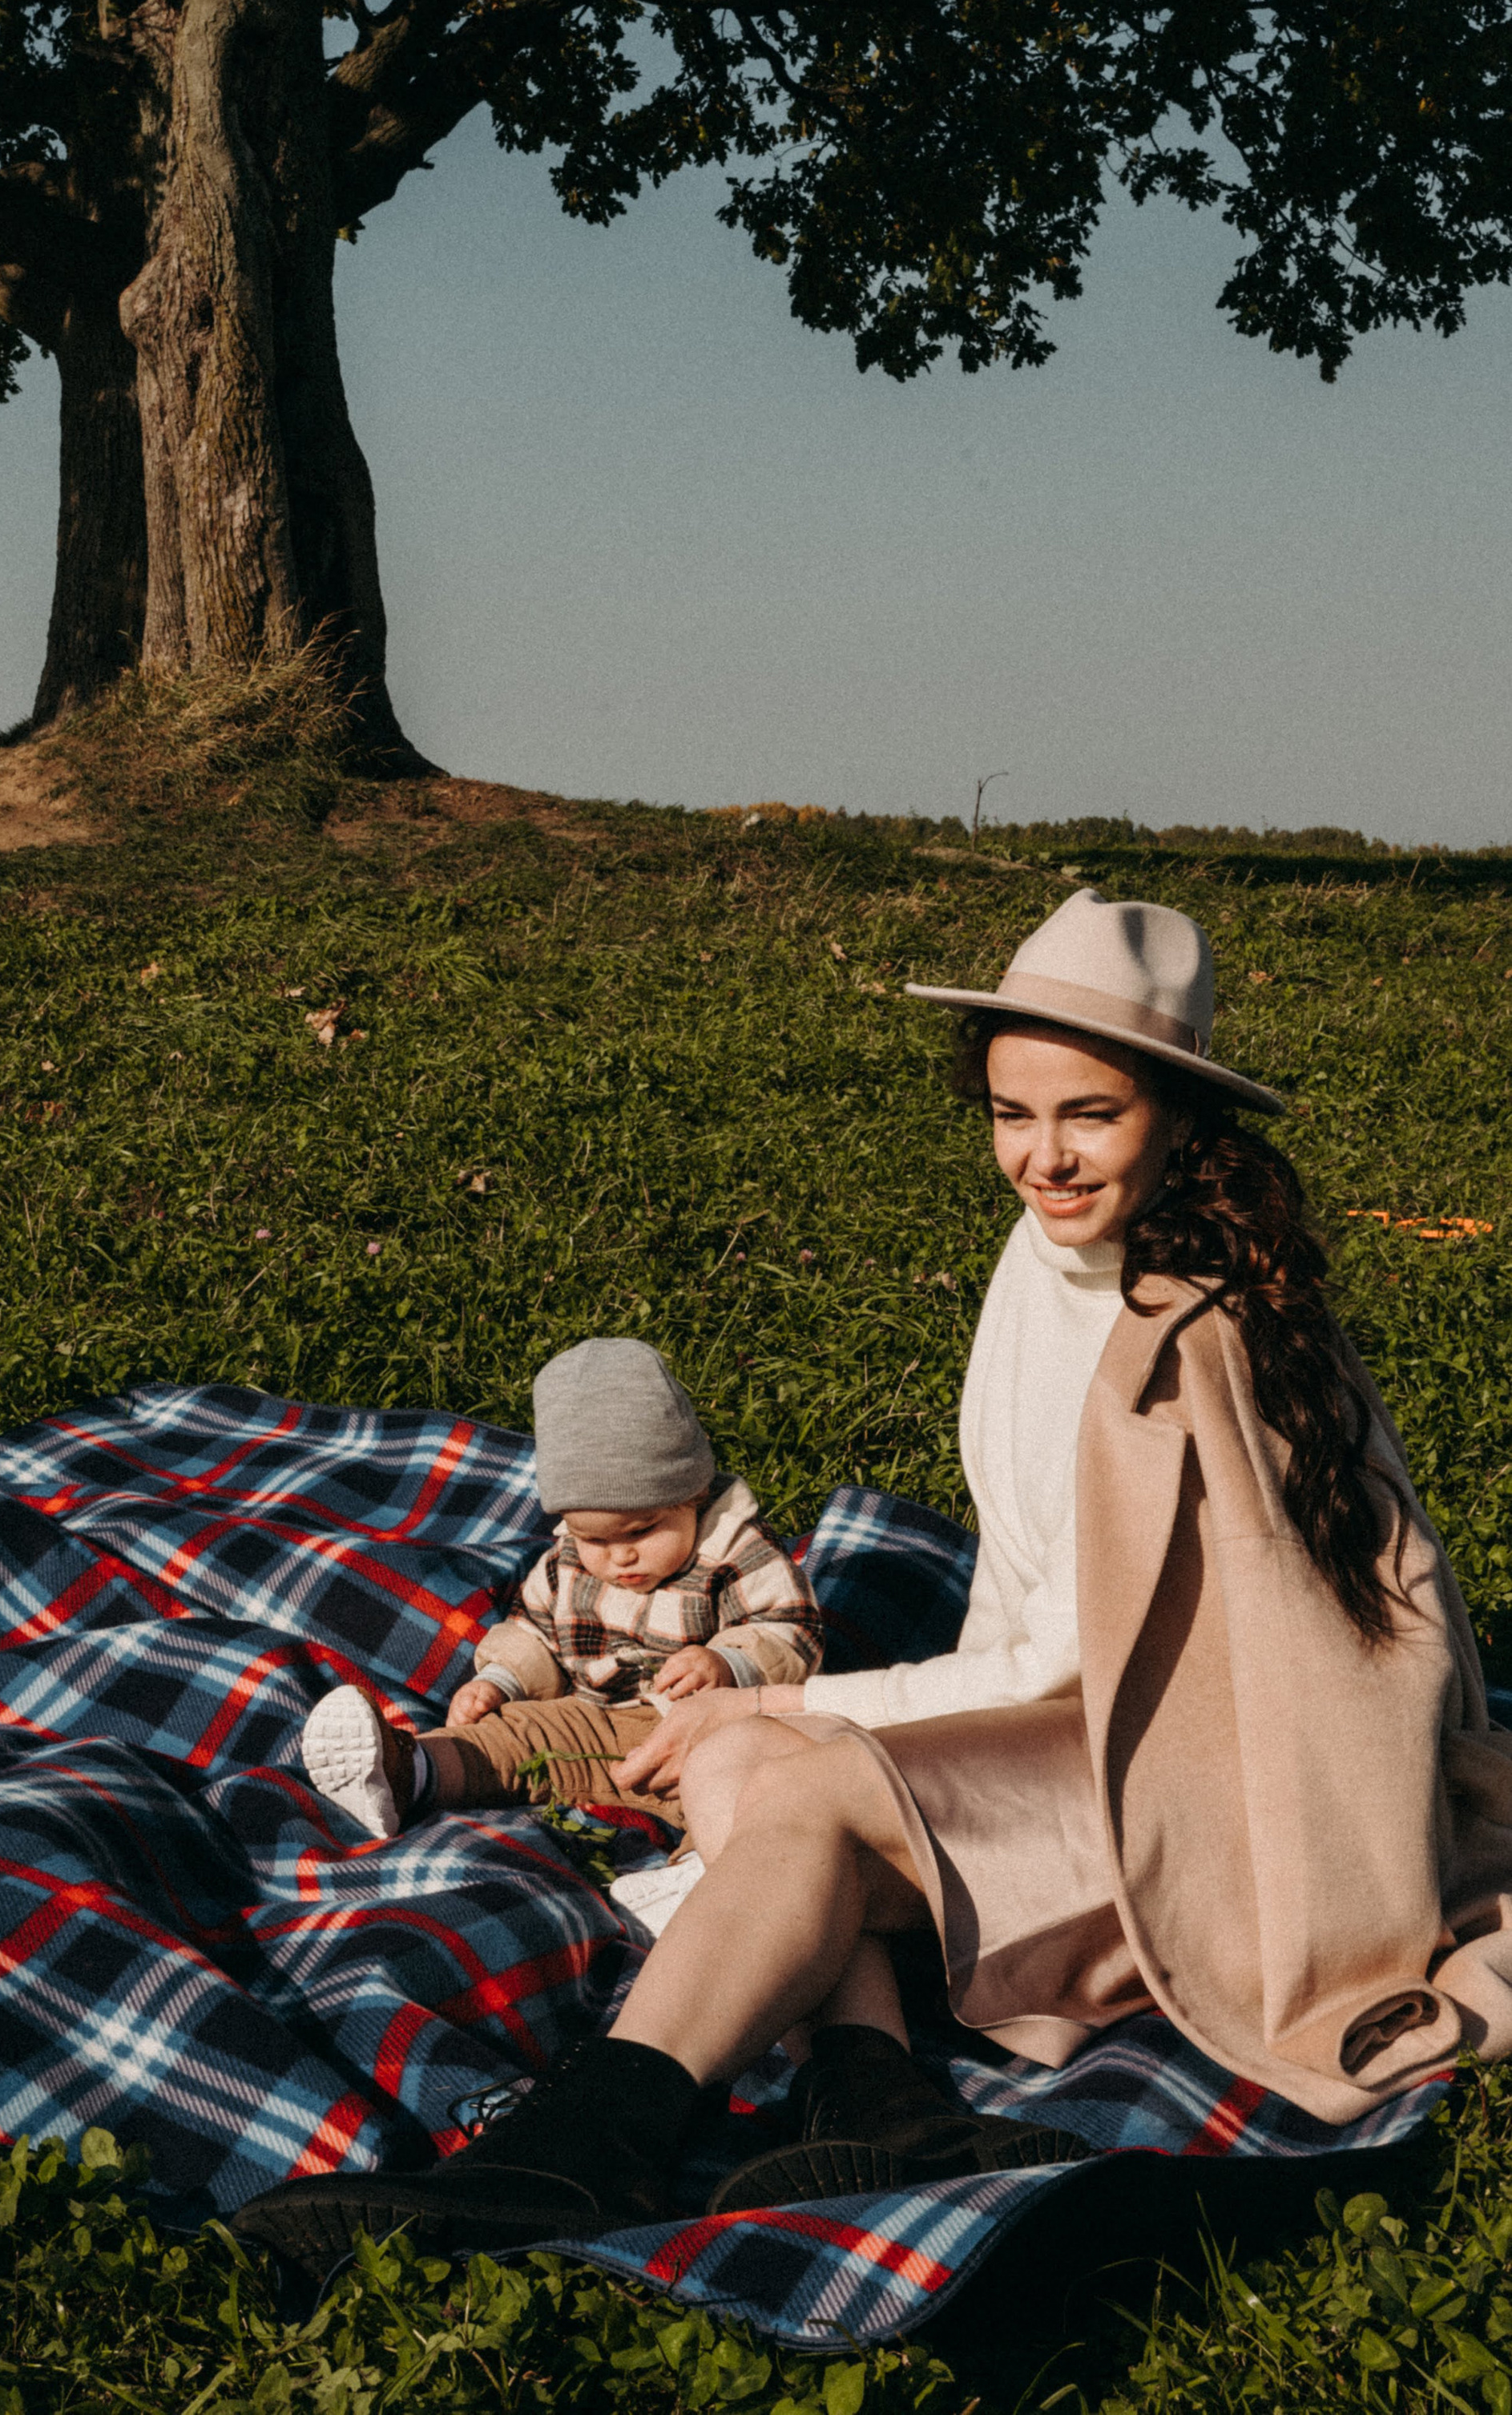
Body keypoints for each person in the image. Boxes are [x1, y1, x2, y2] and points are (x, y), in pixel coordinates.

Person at [235, 889, 1512, 2269]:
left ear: (1183, 1118)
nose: (1042, 1157)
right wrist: (824, 1728)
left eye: (1090, 1113)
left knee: (792, 1768)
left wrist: (806, 1709)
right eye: (1013, 1113)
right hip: (1063, 1733)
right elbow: (1014, 1585)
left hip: (1198, 1789)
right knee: (759, 1777)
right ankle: (870, 2091)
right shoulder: (1045, 1260)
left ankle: (583, 2147)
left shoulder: (1193, 1341)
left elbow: (1087, 1665)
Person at [299, 1337, 823, 1835]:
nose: (620, 1556)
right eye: (595, 1537)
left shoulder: (731, 1551)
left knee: (743, 1782)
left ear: (695, 1491)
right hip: (595, 1725)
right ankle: (408, 1770)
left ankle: (704, 1871)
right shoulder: (567, 1562)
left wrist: (728, 1663)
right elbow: (537, 1631)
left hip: (710, 1730)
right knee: (521, 1737)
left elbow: (791, 1628)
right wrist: (501, 1681)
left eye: (642, 1530)